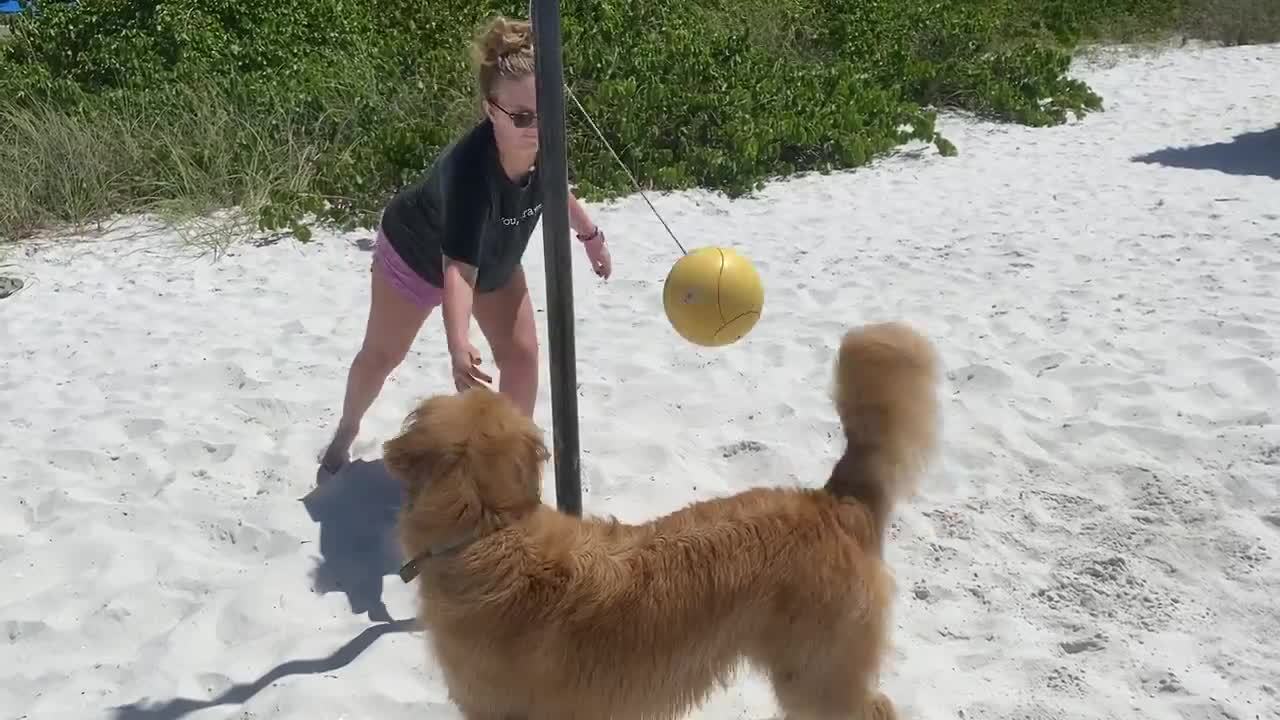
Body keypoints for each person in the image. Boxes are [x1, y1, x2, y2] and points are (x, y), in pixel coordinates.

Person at [320, 15, 612, 473]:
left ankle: (509, 464)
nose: (536, 127)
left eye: (545, 112)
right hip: (415, 254)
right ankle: (347, 429)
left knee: (522, 356)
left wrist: (590, 235)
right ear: (489, 110)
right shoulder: (470, 172)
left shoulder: (544, 144)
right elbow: (457, 269)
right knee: (382, 356)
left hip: (494, 252)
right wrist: (458, 343)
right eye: (521, 117)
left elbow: (555, 188)